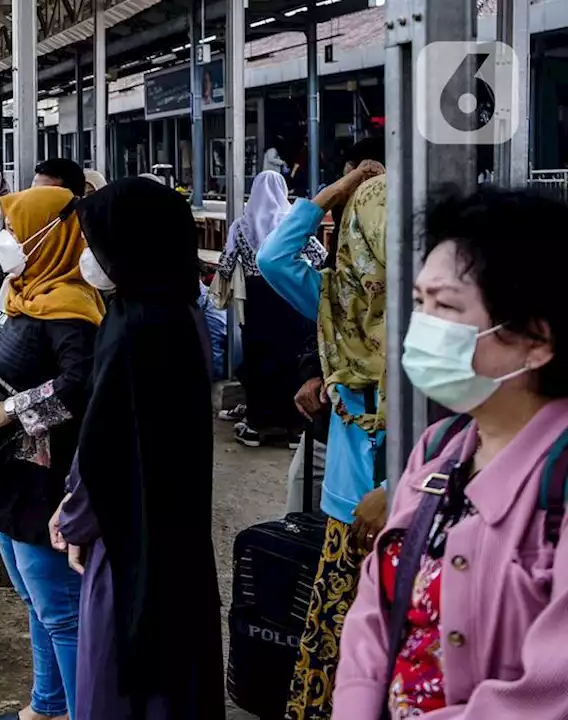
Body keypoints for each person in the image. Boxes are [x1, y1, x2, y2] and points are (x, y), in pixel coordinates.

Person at [332, 188, 568, 718]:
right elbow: (373, 614)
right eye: (420, 303)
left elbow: (550, 694)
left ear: (537, 339)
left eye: (447, 307)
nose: (424, 327)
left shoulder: (559, 478)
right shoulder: (439, 451)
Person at [62, 176, 224, 719]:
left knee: (119, 667)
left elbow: (102, 444)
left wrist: (74, 521)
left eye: (98, 241)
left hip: (126, 533)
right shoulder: (182, 313)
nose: (90, 255)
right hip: (176, 528)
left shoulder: (129, 326)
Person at [0, 185, 103, 720]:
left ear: (49, 236)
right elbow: (7, 350)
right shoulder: (26, 293)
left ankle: (78, 709)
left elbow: (77, 386)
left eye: (16, 229)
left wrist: (7, 410)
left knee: (58, 608)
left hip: (45, 479)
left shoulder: (73, 308)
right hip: (13, 472)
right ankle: (47, 704)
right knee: (35, 600)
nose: (7, 239)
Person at [256, 138, 388, 720]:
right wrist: (340, 190)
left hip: (411, 510)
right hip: (349, 506)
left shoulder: (439, 309)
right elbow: (272, 257)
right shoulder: (342, 304)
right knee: (355, 657)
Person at [217, 169, 313, 448]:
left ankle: (257, 426)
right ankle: (295, 428)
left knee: (259, 359)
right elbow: (318, 256)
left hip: (257, 301)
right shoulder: (291, 224)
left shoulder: (241, 226)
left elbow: (225, 265)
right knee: (291, 358)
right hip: (290, 297)